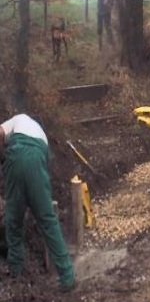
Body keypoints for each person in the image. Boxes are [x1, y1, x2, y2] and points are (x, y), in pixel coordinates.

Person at [0, 114, 75, 292]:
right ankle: (67, 276)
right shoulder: (31, 126)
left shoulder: (9, 125)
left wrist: (4, 161)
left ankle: (16, 272)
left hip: (19, 154)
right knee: (48, 220)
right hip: (39, 158)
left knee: (14, 221)